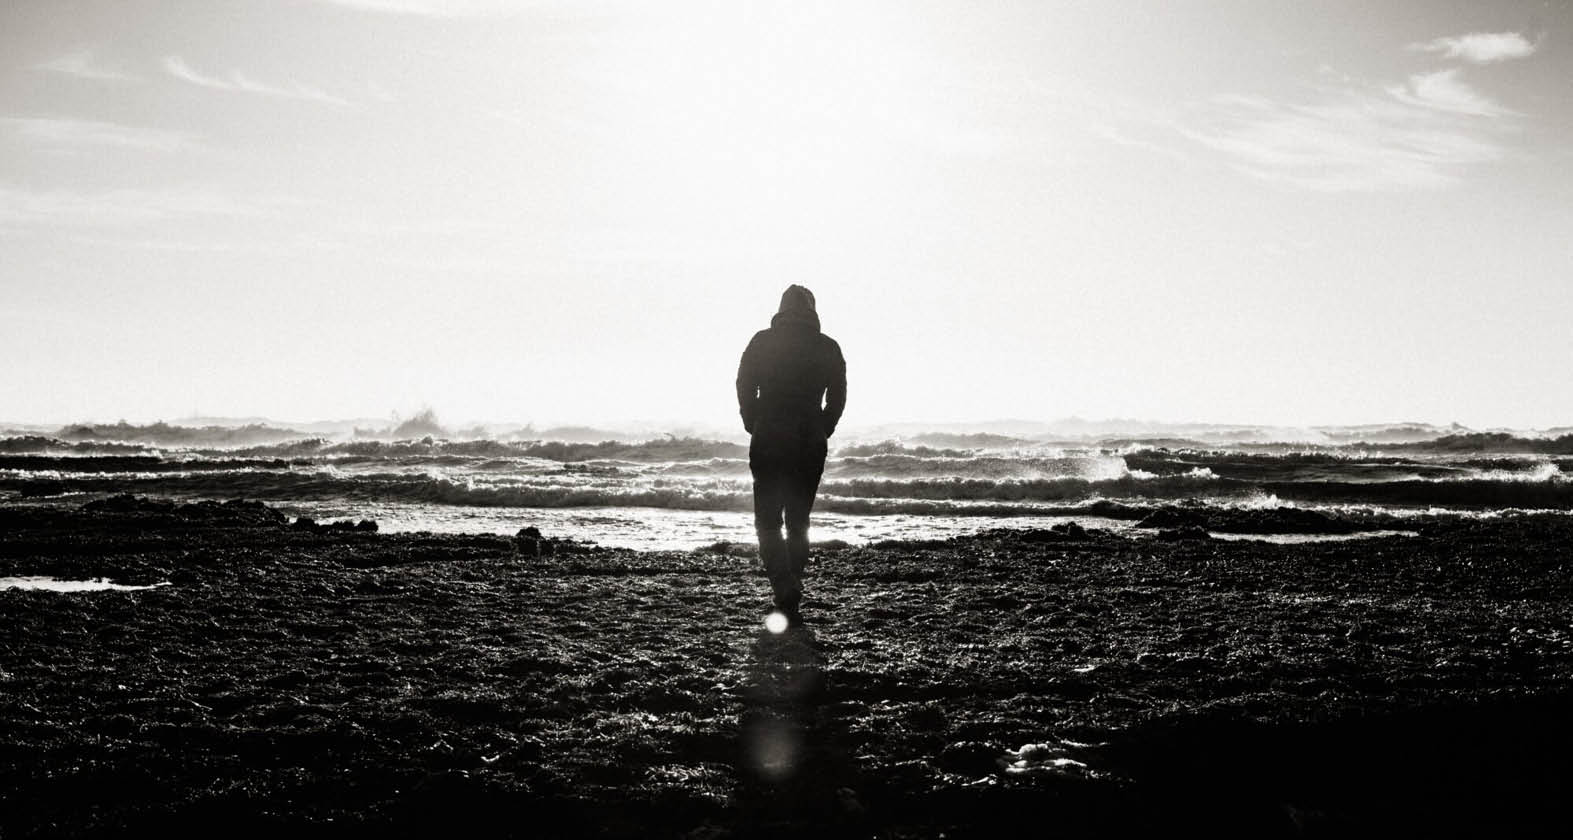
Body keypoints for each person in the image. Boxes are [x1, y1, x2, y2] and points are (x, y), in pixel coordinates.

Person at [735, 285, 846, 624]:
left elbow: (743, 383)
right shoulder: (827, 346)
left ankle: (784, 585)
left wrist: (752, 419)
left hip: (768, 436)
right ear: (812, 309)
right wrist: (823, 426)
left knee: (768, 520)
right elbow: (838, 395)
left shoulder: (762, 341)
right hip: (809, 440)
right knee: (798, 520)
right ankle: (791, 583)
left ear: (782, 308)